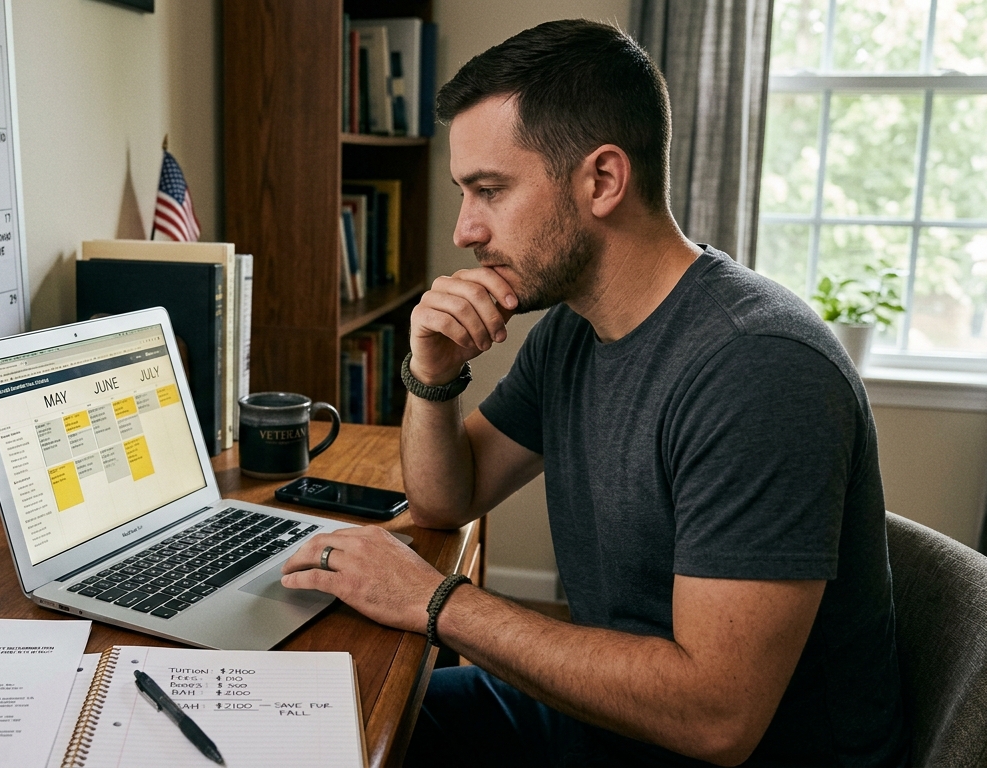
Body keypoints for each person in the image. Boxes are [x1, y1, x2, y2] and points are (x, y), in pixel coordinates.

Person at [280, 19, 909, 768]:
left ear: (603, 180)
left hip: (714, 750)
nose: (464, 230)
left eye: (489, 191)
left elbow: (718, 720)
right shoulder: (576, 328)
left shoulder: (759, 368)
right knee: (318, 720)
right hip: (609, 720)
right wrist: (434, 372)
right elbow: (451, 498)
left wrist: (432, 601)